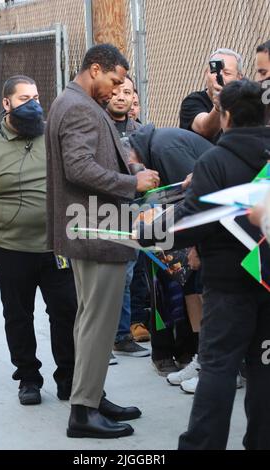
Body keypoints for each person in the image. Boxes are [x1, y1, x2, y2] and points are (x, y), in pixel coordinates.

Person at [139, 79, 270, 450]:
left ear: (225, 116)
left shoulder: (216, 161)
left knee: (218, 367)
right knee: (264, 368)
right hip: (267, 283)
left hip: (228, 289)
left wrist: (149, 231)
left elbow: (191, 219)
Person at [46, 44, 160, 439]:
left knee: (89, 319)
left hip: (91, 227)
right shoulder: (78, 106)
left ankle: (91, 396)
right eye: (113, 81)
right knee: (98, 322)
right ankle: (83, 413)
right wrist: (133, 182)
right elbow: (79, 168)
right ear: (95, 69)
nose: (115, 90)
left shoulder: (72, 101)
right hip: (98, 230)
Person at [0, 75, 77, 405]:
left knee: (67, 311)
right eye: (24, 99)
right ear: (6, 104)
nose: (33, 104)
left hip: (55, 245)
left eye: (36, 97)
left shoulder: (52, 136)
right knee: (18, 315)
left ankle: (69, 377)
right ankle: (28, 378)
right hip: (9, 247)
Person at [128, 124, 212, 377]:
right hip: (171, 228)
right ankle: (185, 355)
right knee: (174, 290)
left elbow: (192, 201)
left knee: (196, 291)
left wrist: (196, 247)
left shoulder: (165, 147)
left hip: (197, 229)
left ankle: (203, 358)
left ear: (131, 153)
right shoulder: (155, 147)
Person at [106, 75, 150, 358]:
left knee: (131, 273)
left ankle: (122, 334)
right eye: (116, 91)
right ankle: (103, 338)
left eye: (128, 92)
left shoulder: (142, 131)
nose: (122, 96)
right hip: (106, 209)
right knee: (107, 277)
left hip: (137, 209)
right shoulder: (98, 126)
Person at [180, 48, 243, 143]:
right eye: (214, 71)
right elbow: (205, 130)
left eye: (227, 73)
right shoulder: (193, 101)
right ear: (206, 73)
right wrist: (218, 107)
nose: (219, 77)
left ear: (239, 78)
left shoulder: (245, 104)